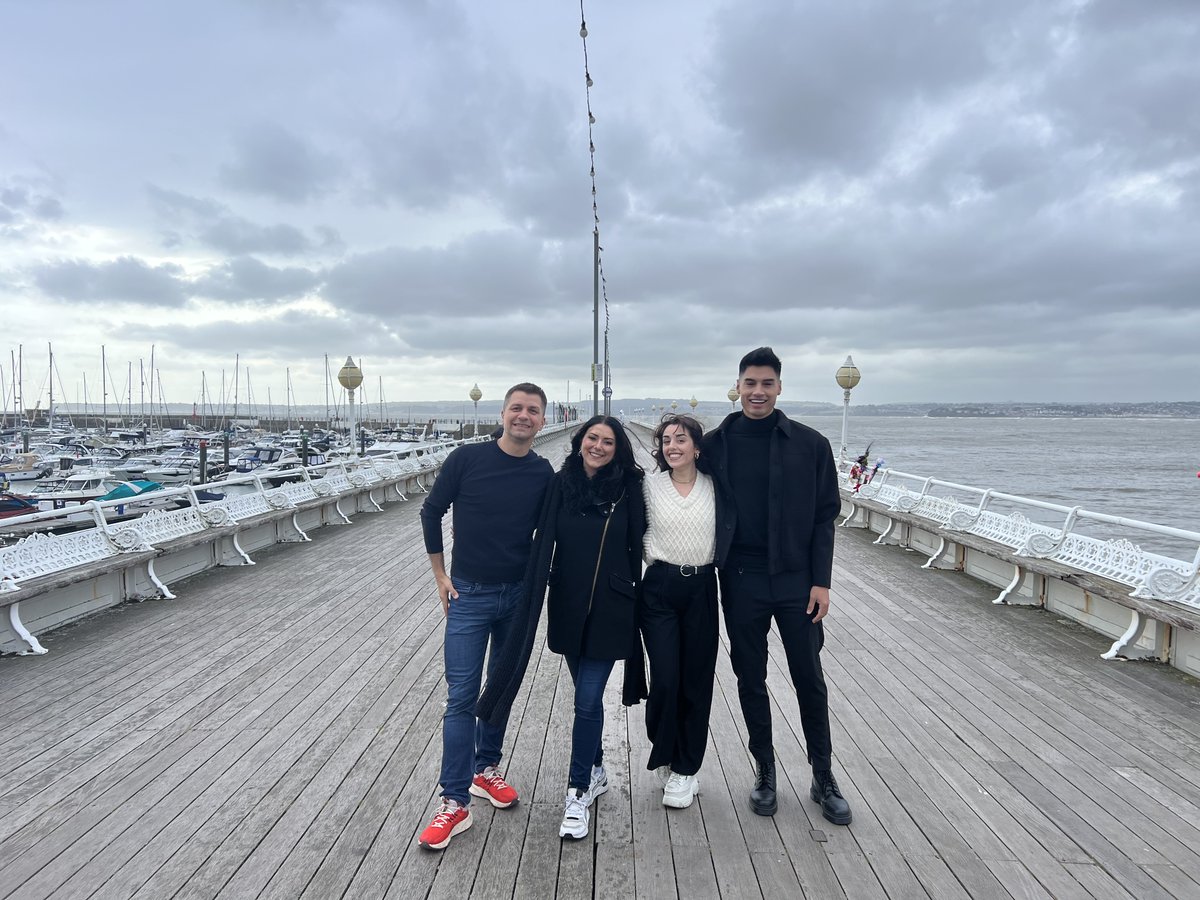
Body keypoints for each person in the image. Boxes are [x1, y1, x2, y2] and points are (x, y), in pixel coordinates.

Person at [701, 347, 852, 826]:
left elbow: (827, 514)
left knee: (809, 677)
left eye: (767, 383)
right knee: (750, 678)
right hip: (741, 580)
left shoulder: (810, 445)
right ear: (738, 387)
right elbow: (674, 477)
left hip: (795, 583)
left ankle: (822, 774)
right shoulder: (715, 445)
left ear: (779, 387)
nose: (758, 392)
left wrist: (821, 582)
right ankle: (764, 769)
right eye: (750, 383)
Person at [477, 415, 646, 841]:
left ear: (617, 448)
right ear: (580, 440)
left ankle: (577, 791)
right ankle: (597, 767)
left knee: (587, 701)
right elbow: (529, 529)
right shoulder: (560, 483)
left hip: (612, 607)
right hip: (569, 605)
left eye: (608, 441)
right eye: (593, 438)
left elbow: (646, 538)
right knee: (584, 696)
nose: (599, 446)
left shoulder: (629, 487)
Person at [416, 383, 554, 851]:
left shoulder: (542, 472)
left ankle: (484, 769)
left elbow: (557, 528)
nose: (523, 416)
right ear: (503, 413)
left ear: (542, 420)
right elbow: (431, 511)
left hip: (517, 597)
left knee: (499, 690)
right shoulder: (466, 459)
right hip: (469, 595)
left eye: (533, 411)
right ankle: (454, 802)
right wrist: (440, 575)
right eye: (517, 408)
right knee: (461, 697)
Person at [640, 413, 718, 809]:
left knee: (697, 681)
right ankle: (666, 750)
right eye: (666, 440)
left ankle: (686, 768)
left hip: (702, 586)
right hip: (659, 588)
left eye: (681, 439)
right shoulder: (648, 486)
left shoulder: (715, 487)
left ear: (697, 448)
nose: (672, 446)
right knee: (667, 679)